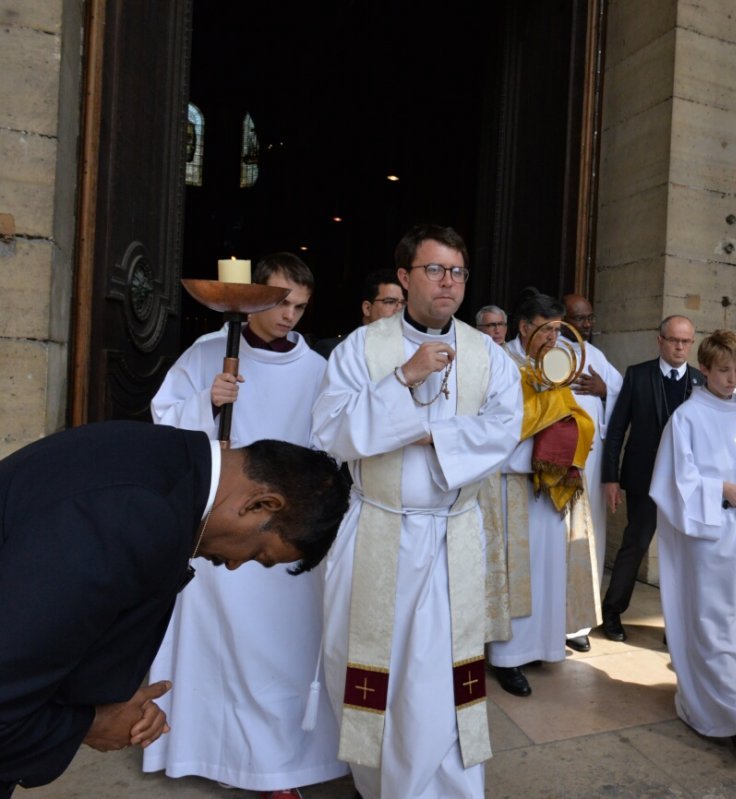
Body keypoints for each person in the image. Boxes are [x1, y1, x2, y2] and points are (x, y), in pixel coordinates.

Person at [0, 421, 349, 799]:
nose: (233, 565)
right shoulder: (141, 516)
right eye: (258, 554)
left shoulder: (165, 455)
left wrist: (113, 697)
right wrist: (89, 724)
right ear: (261, 503)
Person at [312, 224, 522, 799]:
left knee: (442, 676)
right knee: (367, 664)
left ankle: (447, 788)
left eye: (457, 272)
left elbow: (506, 428)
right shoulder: (365, 348)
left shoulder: (487, 355)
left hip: (453, 537)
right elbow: (330, 429)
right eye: (434, 270)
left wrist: (436, 437)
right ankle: (380, 781)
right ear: (404, 278)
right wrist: (404, 378)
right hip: (378, 528)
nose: (448, 283)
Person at [143, 253, 345, 798]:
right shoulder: (211, 352)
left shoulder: (319, 371)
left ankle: (279, 765)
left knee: (281, 653)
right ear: (253, 297)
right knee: (217, 645)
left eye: (301, 307)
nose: (290, 317)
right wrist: (209, 402)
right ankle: (210, 749)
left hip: (281, 540)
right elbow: (164, 421)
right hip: (222, 532)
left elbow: (333, 447)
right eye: (280, 303)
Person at [648, 329, 736, 750]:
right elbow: (674, 482)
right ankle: (710, 711)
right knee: (711, 623)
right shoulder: (686, 418)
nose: (732, 378)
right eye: (723, 370)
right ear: (703, 368)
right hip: (704, 535)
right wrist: (719, 489)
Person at [485, 289, 599, 695]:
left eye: (556, 332)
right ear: (524, 327)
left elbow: (573, 411)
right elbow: (499, 422)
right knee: (516, 571)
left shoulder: (556, 363)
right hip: (510, 482)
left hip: (549, 485)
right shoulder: (500, 362)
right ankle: (507, 657)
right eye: (545, 332)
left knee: (547, 567)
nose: (553, 341)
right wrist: (546, 417)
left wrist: (567, 429)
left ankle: (543, 645)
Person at [599, 315, 703, 641]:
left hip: (687, 485)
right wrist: (610, 478)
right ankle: (612, 613)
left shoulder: (702, 382)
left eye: (686, 341)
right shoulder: (637, 375)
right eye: (674, 340)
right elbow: (617, 430)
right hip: (644, 479)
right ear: (660, 341)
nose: (680, 347)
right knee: (635, 545)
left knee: (684, 556)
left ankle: (677, 624)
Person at [561, 293, 623, 651]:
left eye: (589, 318)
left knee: (590, 534)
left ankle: (579, 622)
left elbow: (622, 394)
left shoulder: (596, 356)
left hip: (592, 460)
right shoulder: (548, 350)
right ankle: (550, 616)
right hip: (557, 458)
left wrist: (604, 391)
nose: (585, 325)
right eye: (578, 318)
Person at [313, 269, 405, 358]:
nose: (399, 308)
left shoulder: (408, 351)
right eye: (390, 301)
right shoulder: (334, 349)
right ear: (367, 308)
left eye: (403, 303)